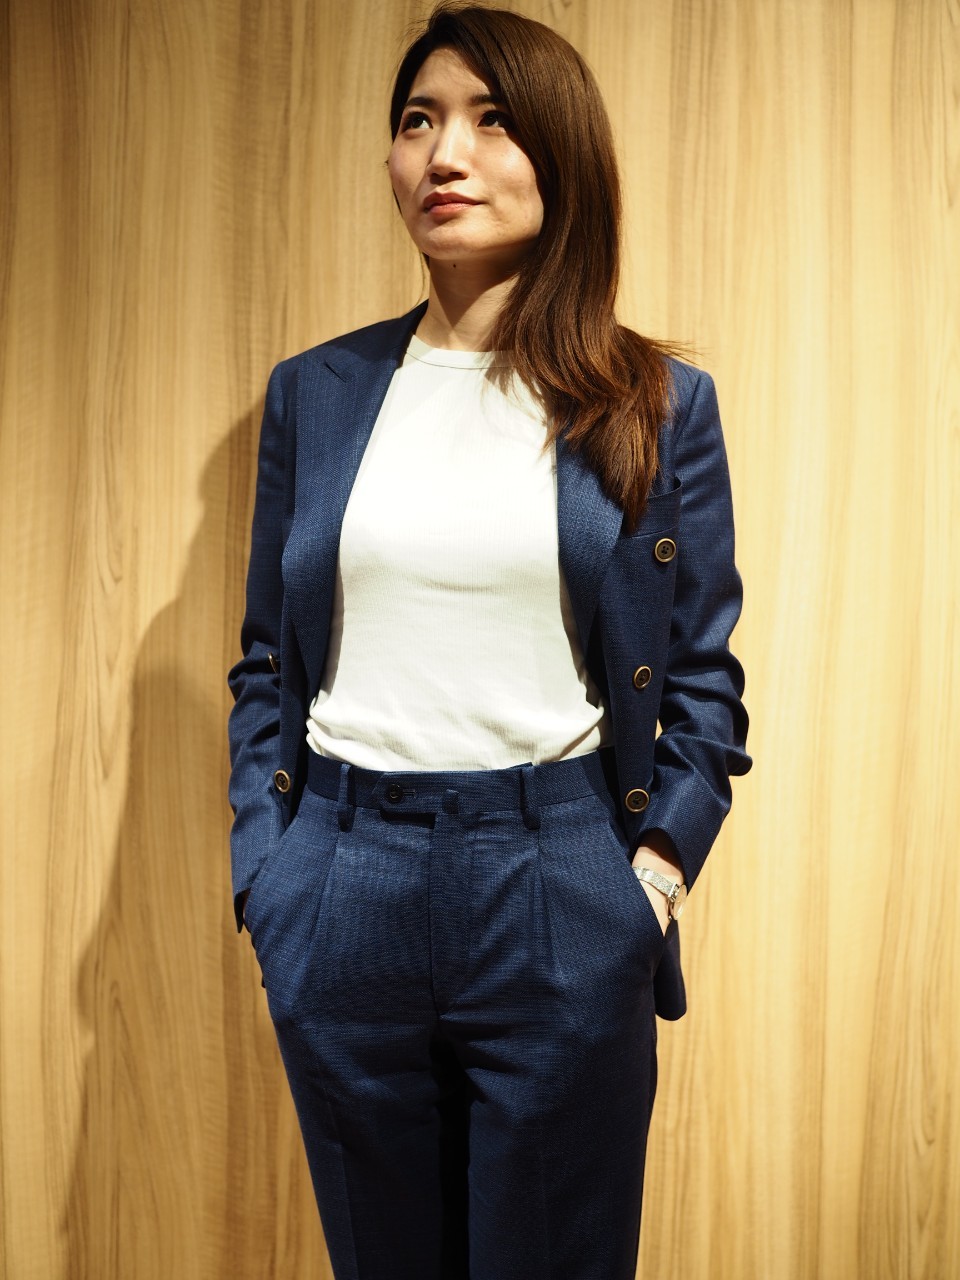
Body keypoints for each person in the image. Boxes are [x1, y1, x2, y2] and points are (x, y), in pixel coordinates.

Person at [227, 5, 751, 1277]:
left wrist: (651, 877)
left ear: (561, 155)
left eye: (490, 119)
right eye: (418, 121)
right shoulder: (315, 393)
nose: (443, 154)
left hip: (558, 874)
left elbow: (702, 678)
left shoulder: (653, 402)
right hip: (342, 875)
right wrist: (268, 871)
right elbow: (266, 662)